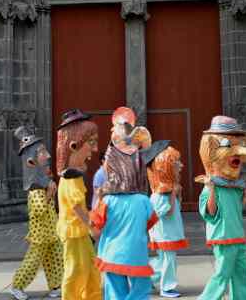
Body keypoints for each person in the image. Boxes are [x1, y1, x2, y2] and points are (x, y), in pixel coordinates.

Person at [90, 107, 159, 300]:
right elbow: (150, 223)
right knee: (142, 288)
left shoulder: (107, 201)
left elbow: (95, 228)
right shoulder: (144, 201)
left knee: (114, 292)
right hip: (137, 256)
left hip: (111, 256)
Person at [196, 116, 246, 300]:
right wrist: (212, 189)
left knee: (242, 276)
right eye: (228, 144)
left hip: (237, 236)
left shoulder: (234, 186)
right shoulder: (211, 185)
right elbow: (210, 213)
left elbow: (237, 210)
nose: (237, 153)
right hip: (222, 237)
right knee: (222, 276)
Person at [7, 126, 64, 300]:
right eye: (42, 152)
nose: (47, 156)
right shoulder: (35, 190)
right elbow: (39, 210)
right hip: (40, 234)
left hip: (51, 231)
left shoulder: (44, 185)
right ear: (31, 161)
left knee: (55, 259)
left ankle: (56, 286)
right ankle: (17, 286)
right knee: (33, 262)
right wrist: (49, 194)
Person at [56, 109, 103, 300]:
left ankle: (90, 295)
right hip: (74, 232)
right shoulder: (71, 177)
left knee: (90, 267)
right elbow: (76, 207)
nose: (94, 149)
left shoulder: (73, 175)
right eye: (91, 143)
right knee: (76, 269)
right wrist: (91, 225)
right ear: (74, 145)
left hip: (79, 232)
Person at [148, 145, 188, 298]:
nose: (181, 165)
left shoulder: (164, 190)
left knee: (163, 260)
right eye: (177, 163)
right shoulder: (162, 192)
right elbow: (166, 211)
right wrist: (173, 194)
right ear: (167, 167)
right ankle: (167, 287)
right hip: (165, 233)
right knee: (168, 260)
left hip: (167, 231)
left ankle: (147, 277)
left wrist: (175, 193)